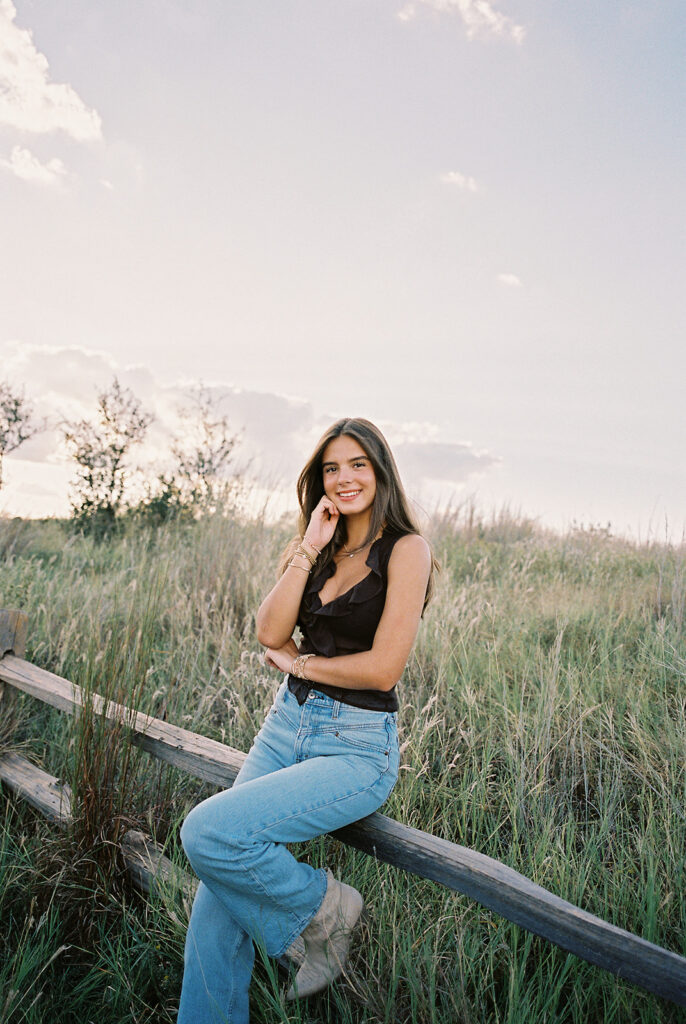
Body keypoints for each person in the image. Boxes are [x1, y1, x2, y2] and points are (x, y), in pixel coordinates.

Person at [178, 417, 434, 1023]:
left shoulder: (407, 549)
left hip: (356, 747)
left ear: (381, 470)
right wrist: (309, 549)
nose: (344, 478)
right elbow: (269, 632)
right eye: (331, 468)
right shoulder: (321, 547)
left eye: (357, 465)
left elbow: (383, 670)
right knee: (214, 906)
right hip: (285, 725)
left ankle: (325, 909)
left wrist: (305, 664)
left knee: (207, 833)